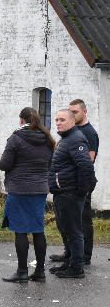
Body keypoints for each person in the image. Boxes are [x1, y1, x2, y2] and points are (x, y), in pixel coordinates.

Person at [0, 107, 54, 283]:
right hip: (39, 190)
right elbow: (50, 164)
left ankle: (22, 271)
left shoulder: (16, 138)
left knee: (20, 230)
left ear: (22, 120)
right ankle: (39, 271)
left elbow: (4, 164)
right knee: (38, 229)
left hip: (19, 189)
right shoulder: (47, 139)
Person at [50, 99, 99, 266]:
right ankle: (70, 257)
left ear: (83, 112)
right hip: (65, 189)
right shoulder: (68, 136)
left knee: (80, 224)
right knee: (68, 226)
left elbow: (87, 164)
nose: (58, 122)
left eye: (75, 112)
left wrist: (82, 189)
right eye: (57, 119)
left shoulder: (86, 134)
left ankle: (82, 258)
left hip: (74, 189)